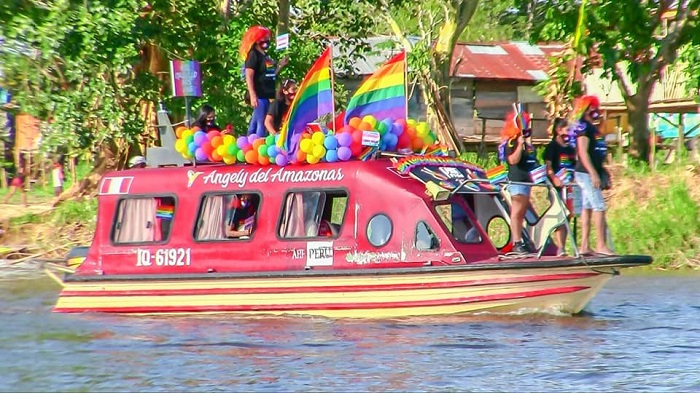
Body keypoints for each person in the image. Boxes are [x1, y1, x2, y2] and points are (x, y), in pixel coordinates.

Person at [572, 95, 615, 256]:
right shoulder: (583, 128)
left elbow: (597, 151)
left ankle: (584, 246)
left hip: (592, 171)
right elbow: (582, 152)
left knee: (588, 207)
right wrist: (593, 174)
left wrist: (602, 172)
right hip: (585, 173)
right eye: (592, 108)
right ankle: (601, 245)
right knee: (599, 206)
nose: (595, 111)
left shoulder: (593, 128)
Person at [240, 25, 288, 137]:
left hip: (268, 94)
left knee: (256, 120)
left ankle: (251, 139)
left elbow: (269, 74)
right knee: (261, 122)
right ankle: (257, 143)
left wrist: (280, 65)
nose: (267, 40)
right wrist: (252, 94)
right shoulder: (253, 55)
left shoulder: (264, 55)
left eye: (268, 37)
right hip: (259, 94)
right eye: (264, 38)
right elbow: (249, 75)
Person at [502, 111, 538, 254]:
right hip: (516, 181)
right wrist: (519, 145)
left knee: (523, 213)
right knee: (516, 213)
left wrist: (528, 144)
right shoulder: (511, 142)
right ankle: (516, 242)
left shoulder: (526, 143)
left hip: (526, 182)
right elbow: (512, 160)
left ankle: (523, 240)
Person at [543, 118, 577, 256]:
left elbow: (574, 165)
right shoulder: (552, 147)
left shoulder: (570, 148)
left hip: (569, 186)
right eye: (567, 129)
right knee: (560, 215)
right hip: (556, 187)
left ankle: (564, 246)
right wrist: (554, 179)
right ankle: (559, 247)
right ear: (559, 130)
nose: (569, 132)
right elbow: (548, 167)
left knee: (568, 215)